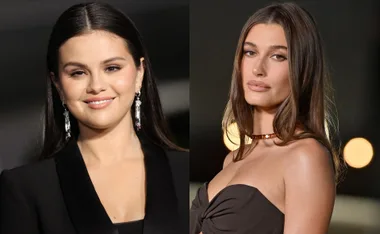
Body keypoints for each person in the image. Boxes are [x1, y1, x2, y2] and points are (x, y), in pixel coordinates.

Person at [0, 2, 188, 234]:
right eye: (78, 73)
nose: (96, 86)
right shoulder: (26, 189)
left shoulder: (186, 171)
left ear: (139, 73)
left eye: (112, 68)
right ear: (58, 84)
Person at [190, 2, 341, 234]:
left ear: (302, 69)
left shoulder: (305, 157)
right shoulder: (234, 158)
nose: (258, 68)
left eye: (278, 56)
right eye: (250, 52)